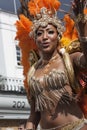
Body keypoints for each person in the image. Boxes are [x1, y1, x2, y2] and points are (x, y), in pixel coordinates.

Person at [15, 0, 87, 129]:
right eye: (39, 33)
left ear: (58, 36)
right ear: (35, 39)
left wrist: (82, 32)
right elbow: (34, 115)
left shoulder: (69, 59)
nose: (45, 37)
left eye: (50, 32)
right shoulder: (32, 71)